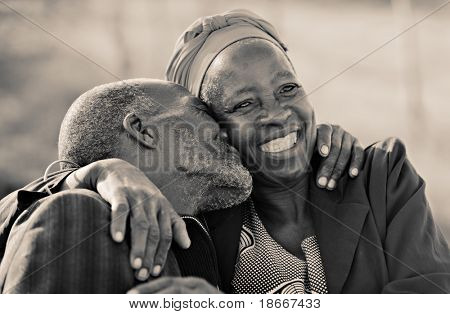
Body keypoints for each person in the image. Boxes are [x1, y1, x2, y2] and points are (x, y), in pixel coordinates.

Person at [148, 9, 450, 293]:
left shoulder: (382, 178)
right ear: (211, 127)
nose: (277, 114)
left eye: (288, 89)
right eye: (244, 104)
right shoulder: (198, 222)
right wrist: (105, 172)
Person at [0, 79, 250, 293]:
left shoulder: (200, 241)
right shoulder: (83, 215)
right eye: (201, 111)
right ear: (143, 131)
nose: (226, 128)